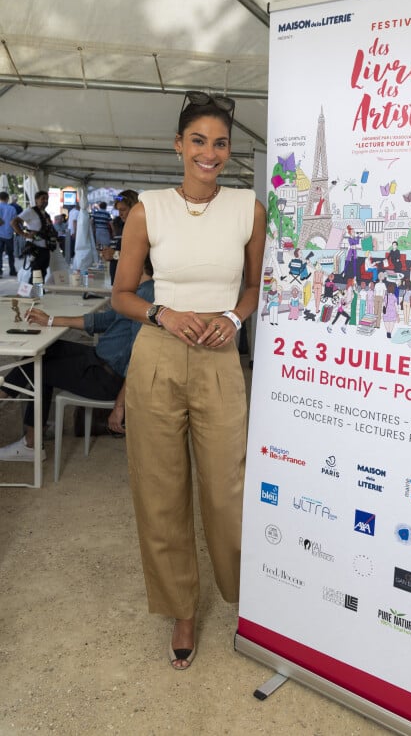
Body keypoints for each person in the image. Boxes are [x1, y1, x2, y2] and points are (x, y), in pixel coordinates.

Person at [111, 91, 266, 670]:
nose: (209, 152)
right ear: (178, 145)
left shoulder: (248, 208)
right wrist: (163, 312)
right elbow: (122, 294)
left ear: (230, 150)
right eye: (198, 140)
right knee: (160, 488)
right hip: (158, 353)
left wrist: (231, 318)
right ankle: (181, 608)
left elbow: (254, 287)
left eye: (220, 143)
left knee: (226, 487)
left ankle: (245, 596)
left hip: (219, 357)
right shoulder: (147, 209)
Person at [0, 258, 154, 461]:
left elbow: (139, 357)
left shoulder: (146, 296)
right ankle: (32, 428)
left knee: (37, 369)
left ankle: (30, 443)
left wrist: (119, 406)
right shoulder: (137, 291)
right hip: (97, 359)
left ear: (138, 265)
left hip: (106, 377)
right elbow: (102, 320)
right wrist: (51, 320)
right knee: (44, 352)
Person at [11, 190, 58, 282]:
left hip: (46, 247)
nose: (45, 201)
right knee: (36, 272)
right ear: (36, 200)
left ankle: (39, 291)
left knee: (43, 271)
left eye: (47, 199)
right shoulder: (30, 211)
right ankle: (34, 292)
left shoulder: (46, 214)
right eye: (42, 198)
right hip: (35, 246)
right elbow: (13, 222)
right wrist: (24, 234)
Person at [100, 190, 139, 284]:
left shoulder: (141, 229)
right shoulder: (126, 226)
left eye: (123, 210)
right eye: (118, 210)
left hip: (131, 285)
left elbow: (141, 258)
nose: (120, 214)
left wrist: (115, 254)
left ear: (134, 208)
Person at [0, 190, 18, 277]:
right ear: (7, 198)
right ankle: (12, 270)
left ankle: (0, 272)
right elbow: (15, 222)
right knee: (10, 253)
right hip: (9, 234)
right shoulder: (12, 208)